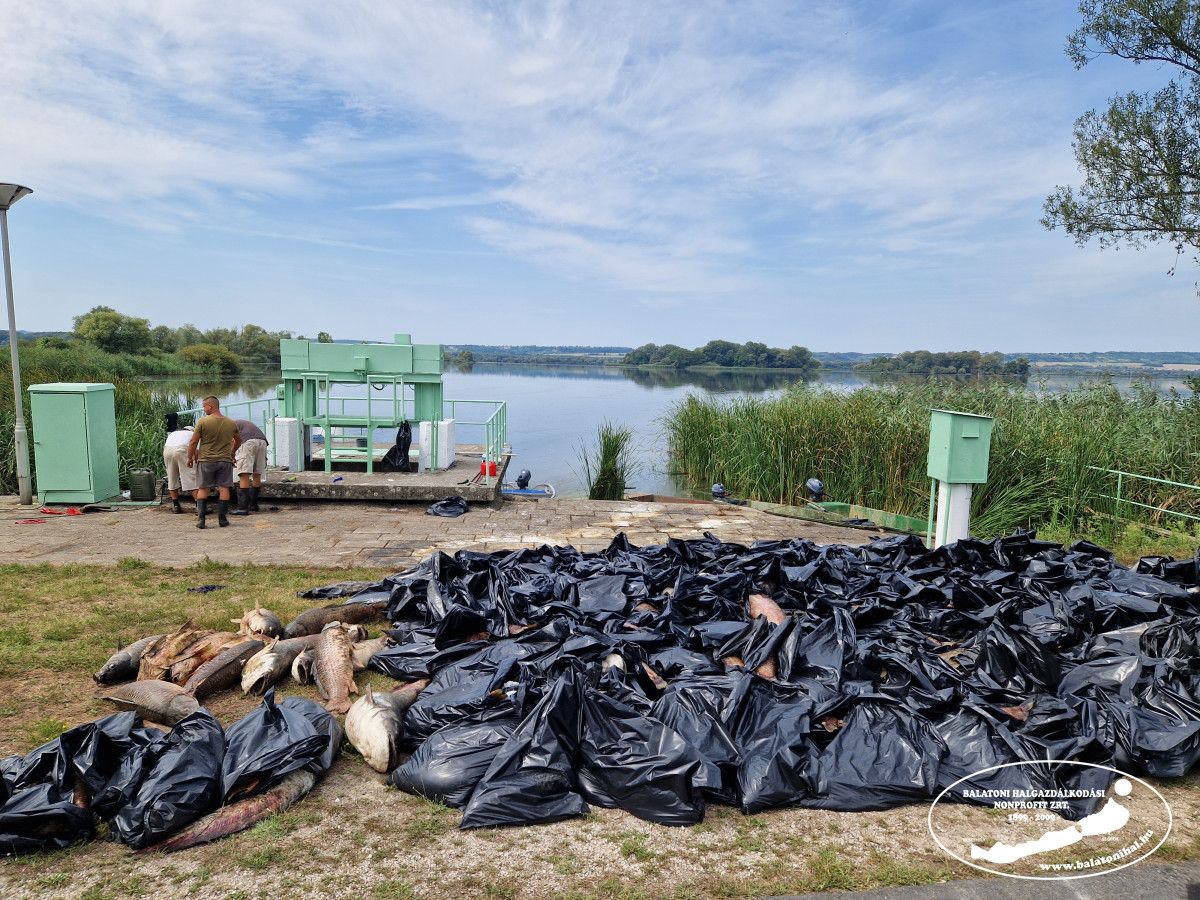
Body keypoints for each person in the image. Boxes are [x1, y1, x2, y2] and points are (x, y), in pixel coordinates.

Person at [186, 396, 241, 529]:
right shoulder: (231, 423)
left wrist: (190, 457)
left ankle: (201, 520)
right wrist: (232, 452)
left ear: (210, 406)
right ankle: (222, 520)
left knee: (203, 488)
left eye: (204, 407)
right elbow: (238, 440)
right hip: (224, 460)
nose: (204, 409)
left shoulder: (203, 422)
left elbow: (193, 442)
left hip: (206, 460)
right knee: (224, 488)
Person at [231, 418, 269, 515]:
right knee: (257, 474)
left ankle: (243, 508)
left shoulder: (228, 426)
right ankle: (253, 505)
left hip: (247, 443)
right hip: (262, 442)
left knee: (244, 474)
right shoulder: (240, 423)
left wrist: (232, 454)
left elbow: (232, 442)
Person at [162, 425, 197, 513]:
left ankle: (176, 505)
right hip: (182, 449)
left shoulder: (173, 434)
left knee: (171, 477)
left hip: (167, 451)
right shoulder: (192, 434)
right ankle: (199, 506)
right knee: (191, 477)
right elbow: (196, 451)